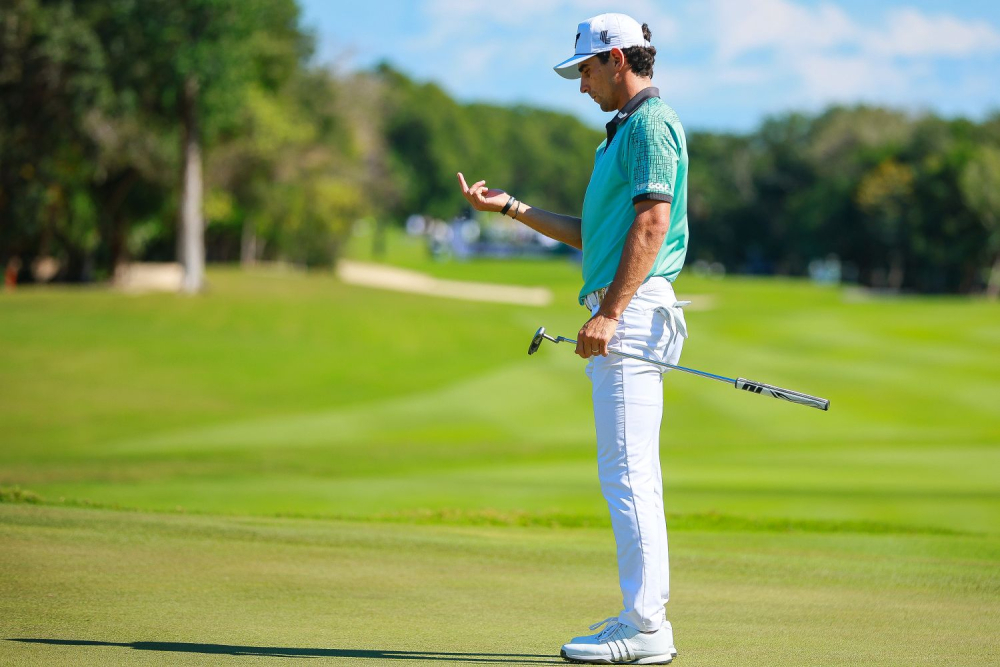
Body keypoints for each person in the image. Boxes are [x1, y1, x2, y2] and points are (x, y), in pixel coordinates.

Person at [458, 12, 689, 665]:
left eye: (585, 70)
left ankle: (646, 627)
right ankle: (643, 617)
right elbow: (601, 235)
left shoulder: (649, 124)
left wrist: (610, 312)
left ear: (617, 59)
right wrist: (511, 209)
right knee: (630, 469)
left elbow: (652, 222)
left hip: (635, 308)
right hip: (631, 303)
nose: (581, 85)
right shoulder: (623, 135)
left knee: (628, 470)